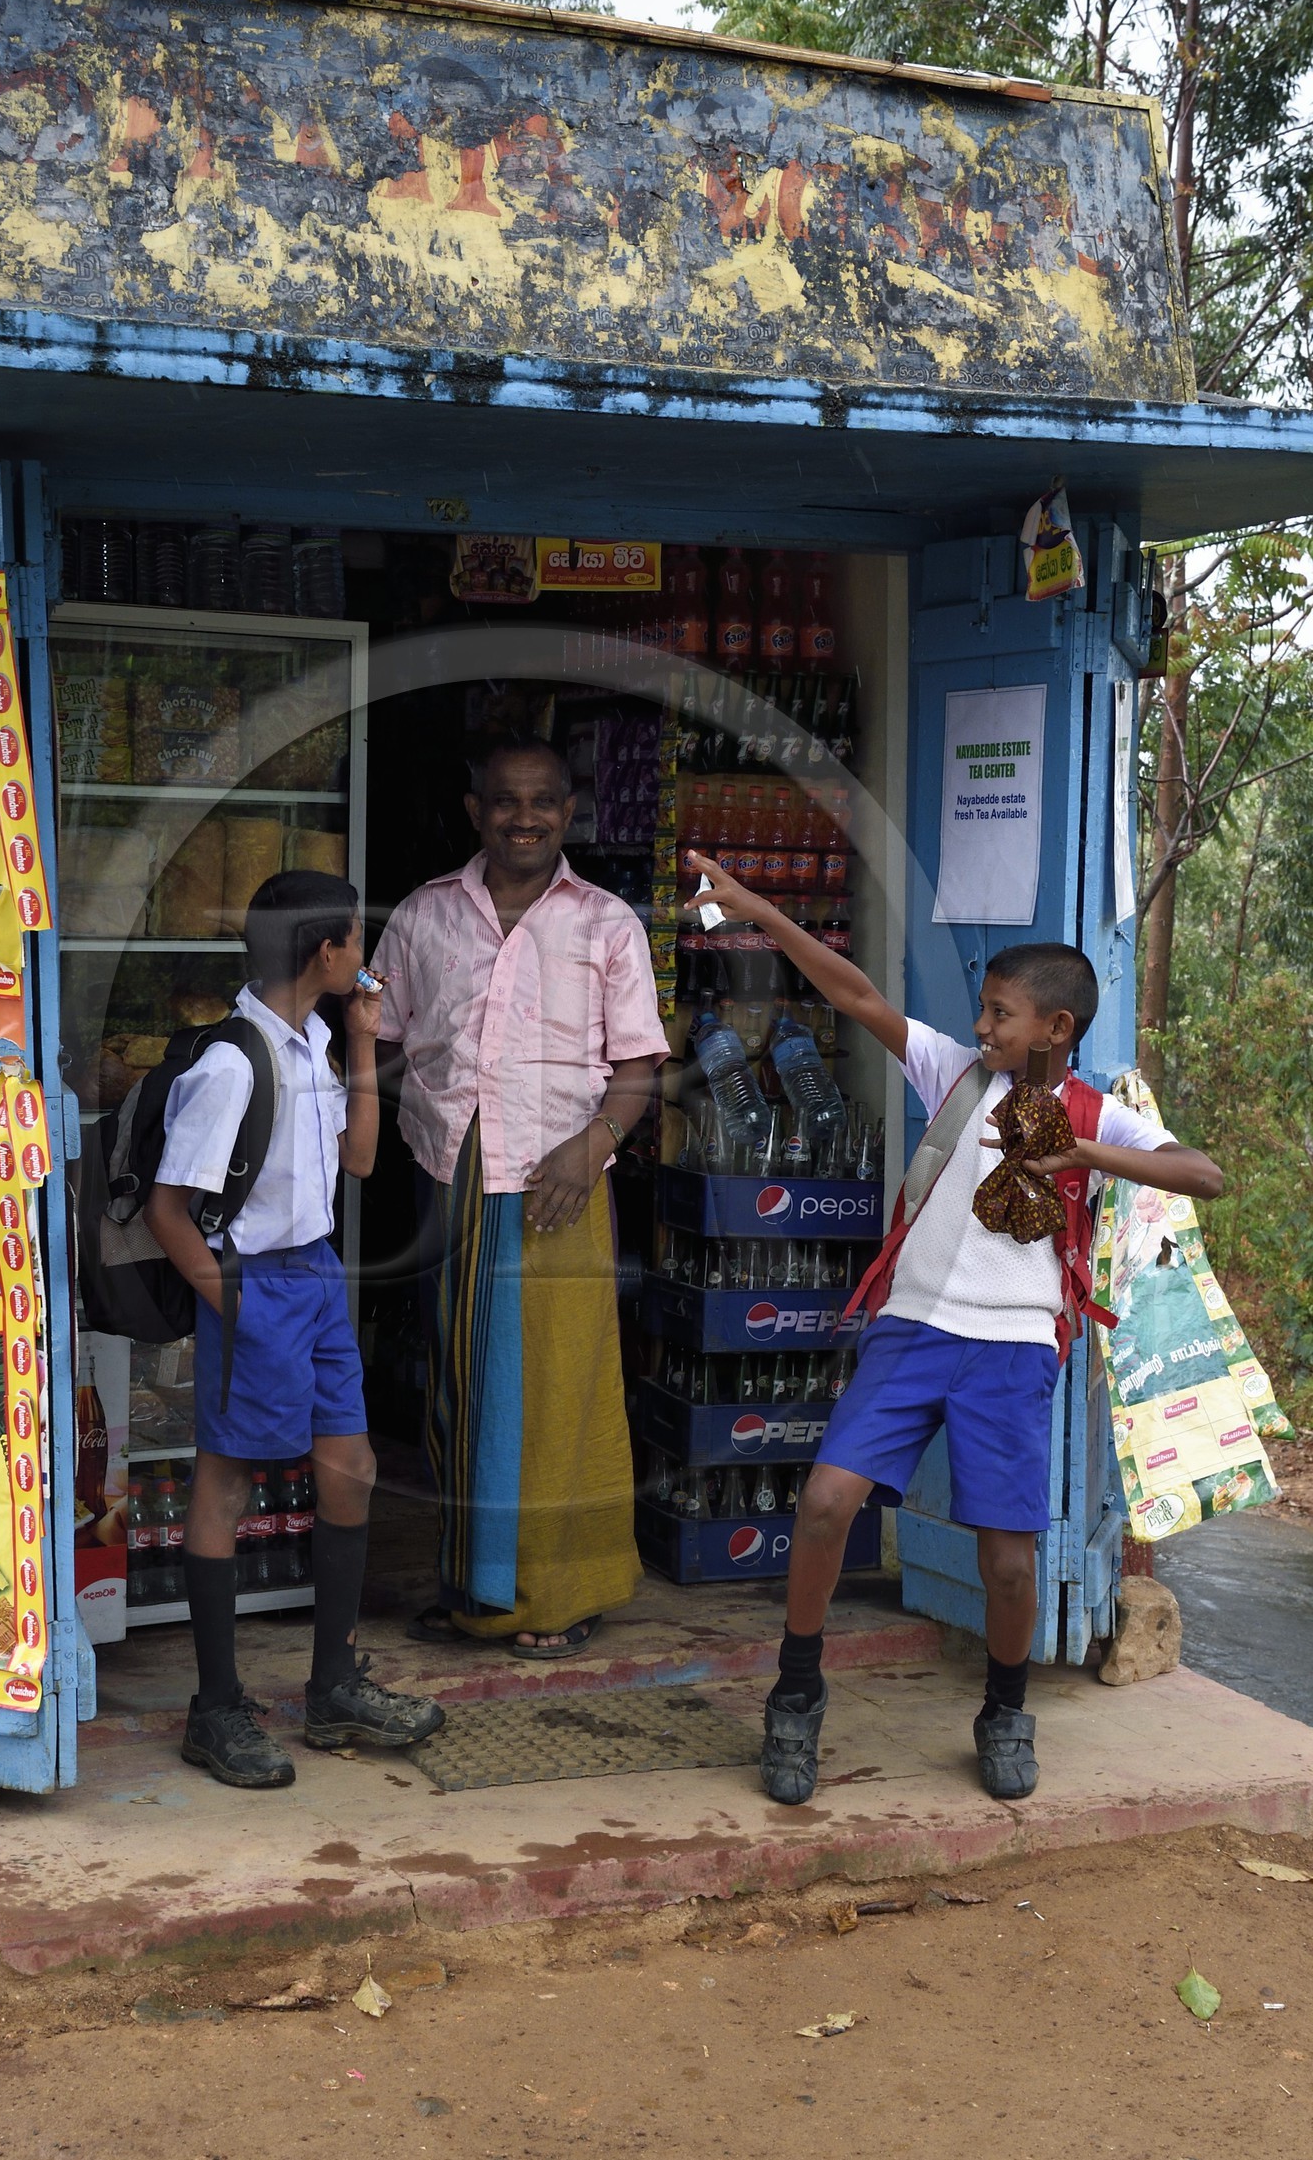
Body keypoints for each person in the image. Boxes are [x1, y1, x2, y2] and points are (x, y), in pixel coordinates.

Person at [685, 847, 1223, 1803]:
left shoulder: (1099, 1114)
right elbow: (852, 994)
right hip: (912, 1331)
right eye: (981, 1012)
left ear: (1057, 1027)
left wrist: (1082, 1153)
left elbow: (1203, 1174)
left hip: (1013, 1350)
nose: (980, 1028)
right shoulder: (958, 1074)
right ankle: (797, 1696)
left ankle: (1006, 1709)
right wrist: (753, 907)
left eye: (1000, 1016)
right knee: (822, 1505)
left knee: (1009, 1563)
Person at [144, 870, 445, 1789]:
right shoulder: (233, 1064)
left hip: (314, 1274)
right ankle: (217, 1709)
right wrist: (233, 1306)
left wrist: (359, 1044)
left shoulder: (314, 1039)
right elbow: (167, 1210)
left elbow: (358, 1161)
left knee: (349, 1469)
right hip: (255, 1283)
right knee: (226, 1484)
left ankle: (332, 1685)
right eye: (359, 939)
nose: (366, 955)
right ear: (328, 952)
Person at [372, 736, 669, 1654]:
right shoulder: (423, 917)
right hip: (452, 1177)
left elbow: (640, 1061)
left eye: (544, 801)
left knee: (559, 1387)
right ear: (476, 812)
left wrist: (597, 1142)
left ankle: (563, 1594)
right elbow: (380, 1039)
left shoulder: (608, 923)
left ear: (570, 812)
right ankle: (474, 1588)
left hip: (560, 1183)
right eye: (506, 801)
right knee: (461, 1383)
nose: (525, 817)